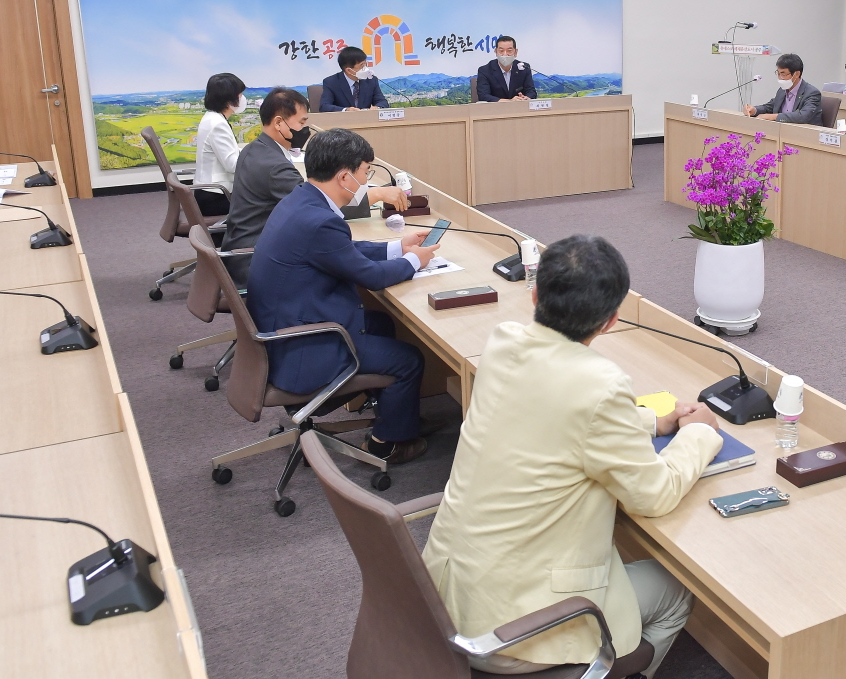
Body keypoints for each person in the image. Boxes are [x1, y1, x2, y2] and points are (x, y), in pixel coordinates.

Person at [423, 235, 722, 678]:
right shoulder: (601, 384)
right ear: (611, 321)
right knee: (675, 590)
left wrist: (651, 421)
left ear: (534, 295)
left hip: (444, 605)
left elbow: (550, 405)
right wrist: (698, 434)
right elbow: (654, 496)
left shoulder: (504, 342)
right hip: (517, 631)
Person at [247, 128, 437, 464]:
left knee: (380, 323)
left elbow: (341, 251)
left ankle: (397, 417)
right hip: (301, 348)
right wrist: (414, 261)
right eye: (366, 172)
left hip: (283, 326)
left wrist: (398, 247)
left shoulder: (300, 200)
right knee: (409, 359)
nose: (366, 181)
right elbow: (371, 277)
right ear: (345, 177)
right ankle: (386, 445)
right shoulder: (320, 221)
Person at [222, 88, 408, 285]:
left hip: (245, 248)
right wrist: (376, 194)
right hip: (253, 261)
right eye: (302, 122)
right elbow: (321, 207)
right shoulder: (275, 168)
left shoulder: (255, 149)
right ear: (278, 123)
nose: (305, 129)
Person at [193, 73, 246, 217]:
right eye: (240, 95)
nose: (242, 98)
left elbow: (229, 152)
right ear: (228, 99)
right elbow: (232, 165)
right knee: (265, 203)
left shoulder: (213, 117)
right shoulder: (217, 124)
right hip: (215, 197)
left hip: (211, 191)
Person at [743, 53, 822, 124]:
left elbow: (803, 116)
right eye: (778, 73)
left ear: (797, 74)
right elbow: (770, 107)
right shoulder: (782, 91)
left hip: (805, 133)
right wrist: (754, 110)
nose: (780, 78)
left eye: (783, 74)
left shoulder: (812, 93)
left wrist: (774, 117)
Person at [320, 46, 388, 111]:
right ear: (349, 70)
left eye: (365, 64)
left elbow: (382, 102)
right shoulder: (331, 82)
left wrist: (377, 107)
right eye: (362, 65)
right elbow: (324, 106)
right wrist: (346, 110)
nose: (366, 69)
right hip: (343, 119)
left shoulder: (371, 80)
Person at [476, 36, 537, 102]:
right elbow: (483, 95)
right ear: (496, 52)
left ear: (515, 52)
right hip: (496, 108)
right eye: (501, 51)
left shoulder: (524, 68)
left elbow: (531, 92)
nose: (505, 54)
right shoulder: (485, 70)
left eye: (509, 51)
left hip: (520, 107)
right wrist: (510, 101)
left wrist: (526, 98)